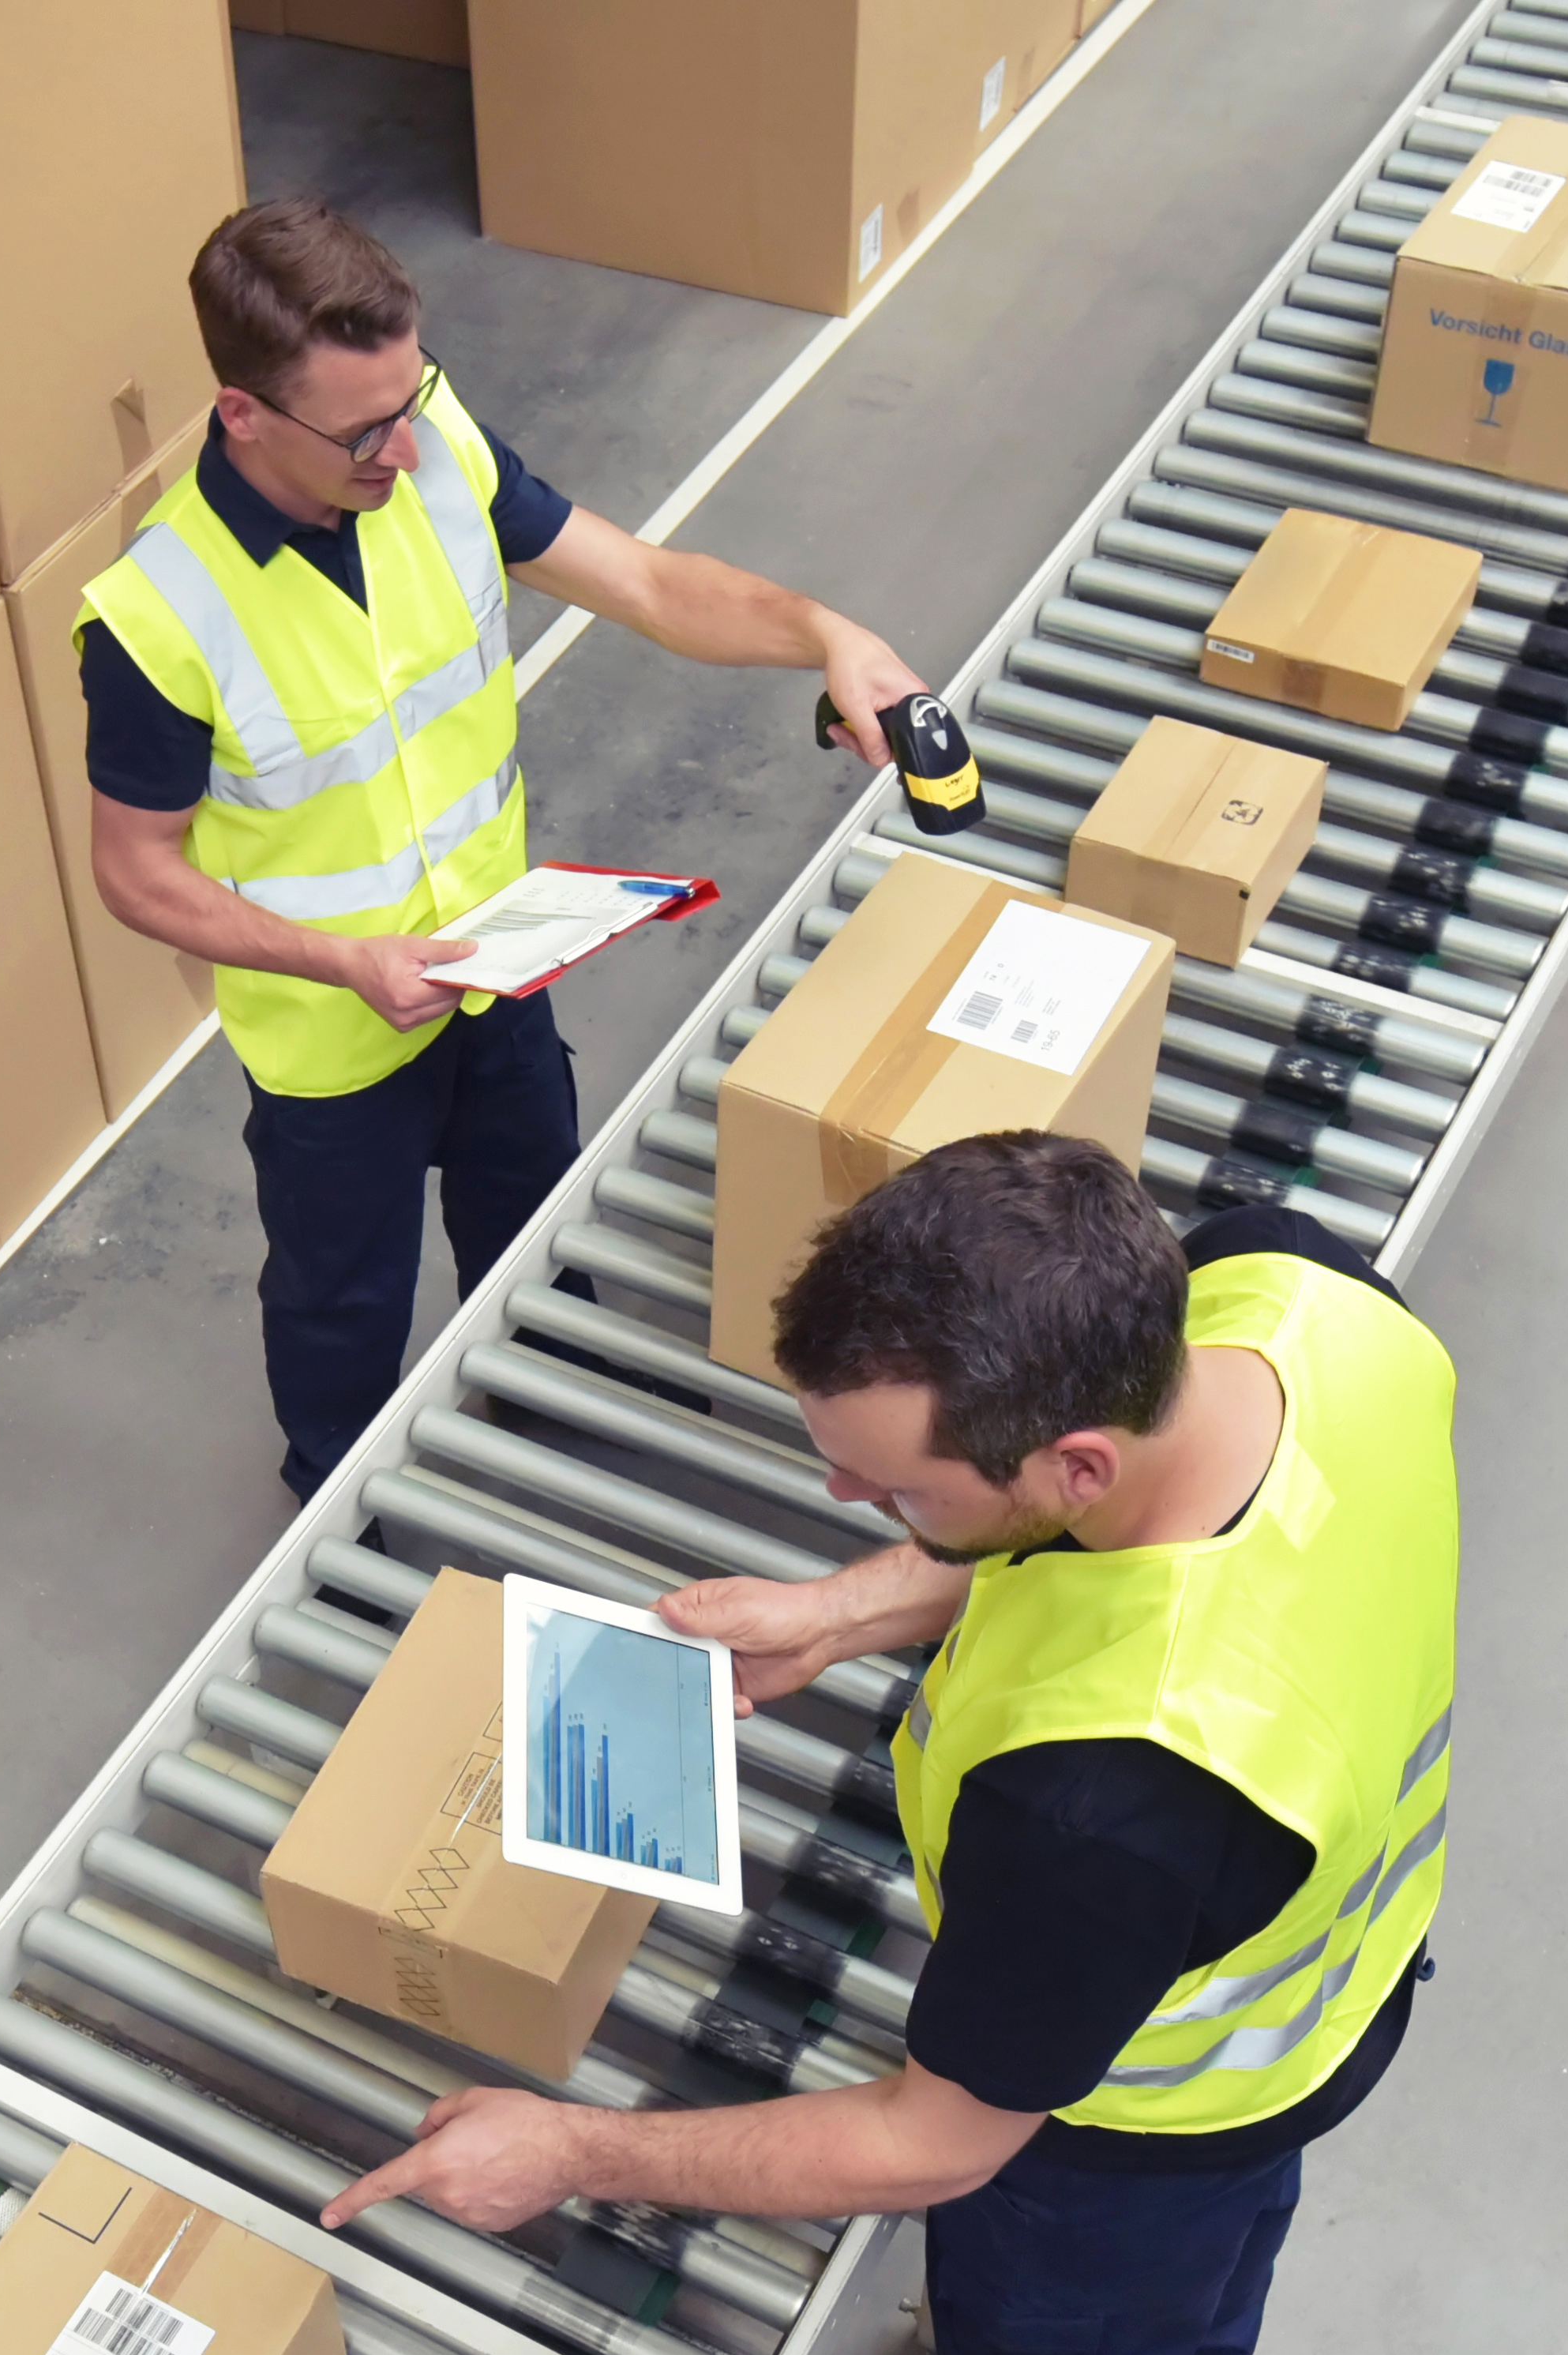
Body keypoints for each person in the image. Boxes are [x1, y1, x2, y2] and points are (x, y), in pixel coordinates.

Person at [324, 1136, 1461, 2355]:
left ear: (1066, 1463)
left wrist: (569, 2147)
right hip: (1331, 1979)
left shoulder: (1105, 1798)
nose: (848, 1499)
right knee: (1233, 2219)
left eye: (896, 1489)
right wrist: (841, 1608)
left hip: (1141, 2111)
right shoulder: (1294, 1296)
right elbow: (1098, 1525)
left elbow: (933, 2144)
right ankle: (1210, 2354)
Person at [79, 200, 936, 1498]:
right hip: (335, 1037)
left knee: (534, 1216)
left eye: (412, 392)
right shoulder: (159, 614)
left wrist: (825, 634)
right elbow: (135, 871)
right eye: (364, 426)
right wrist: (343, 959)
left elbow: (644, 582)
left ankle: (550, 1391)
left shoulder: (434, 450)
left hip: (500, 963)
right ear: (244, 413)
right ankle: (341, 1510)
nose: (404, 443)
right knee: (340, 1304)